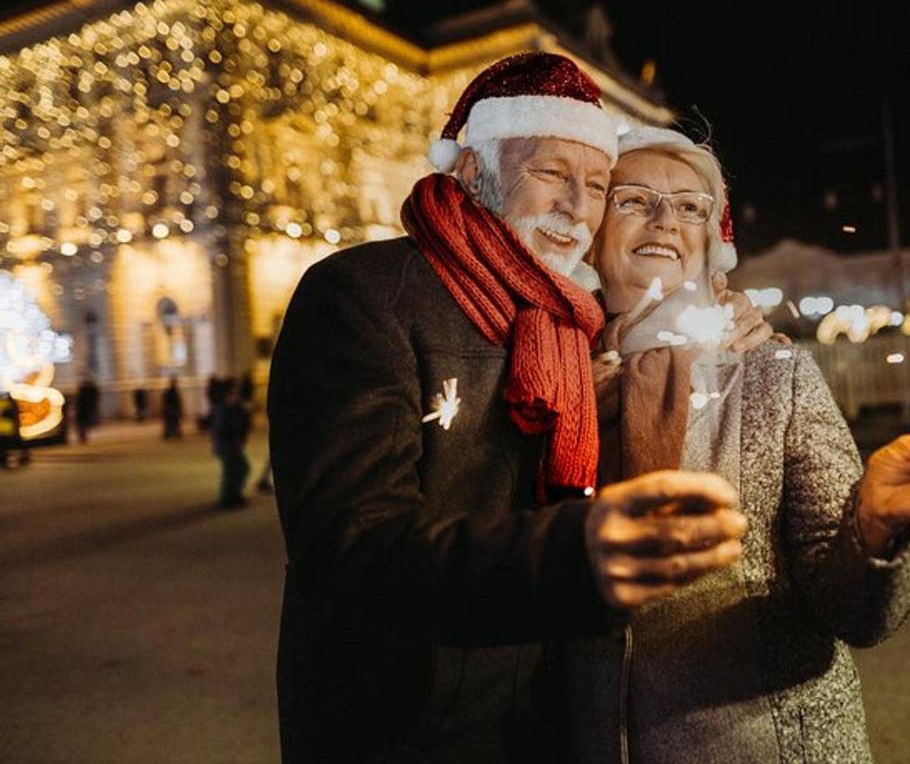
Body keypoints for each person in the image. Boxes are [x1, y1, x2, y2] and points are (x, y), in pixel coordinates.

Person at [268, 53, 769, 763]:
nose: (576, 206)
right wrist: (575, 554)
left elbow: (665, 323)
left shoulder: (576, 321)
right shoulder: (365, 295)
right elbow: (350, 550)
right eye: (550, 174)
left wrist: (729, 319)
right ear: (475, 173)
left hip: (545, 723)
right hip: (400, 727)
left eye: (596, 185)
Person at [564, 127, 910, 762]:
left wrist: (873, 527)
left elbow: (855, 613)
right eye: (634, 200)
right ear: (594, 234)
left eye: (691, 207)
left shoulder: (772, 372)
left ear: (711, 242)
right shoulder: (545, 380)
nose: (665, 220)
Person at [211, 378, 250, 509]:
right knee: (232, 470)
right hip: (225, 445)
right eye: (233, 393)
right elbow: (221, 429)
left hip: (232, 444)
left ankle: (234, 494)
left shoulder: (234, 407)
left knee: (241, 468)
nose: (235, 396)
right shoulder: (221, 409)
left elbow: (244, 422)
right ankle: (226, 498)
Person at [75, 379, 99, 443]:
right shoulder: (90, 393)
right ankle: (83, 437)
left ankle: (83, 437)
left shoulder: (84, 393)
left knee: (82, 424)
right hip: (84, 410)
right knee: (83, 423)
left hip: (83, 410)